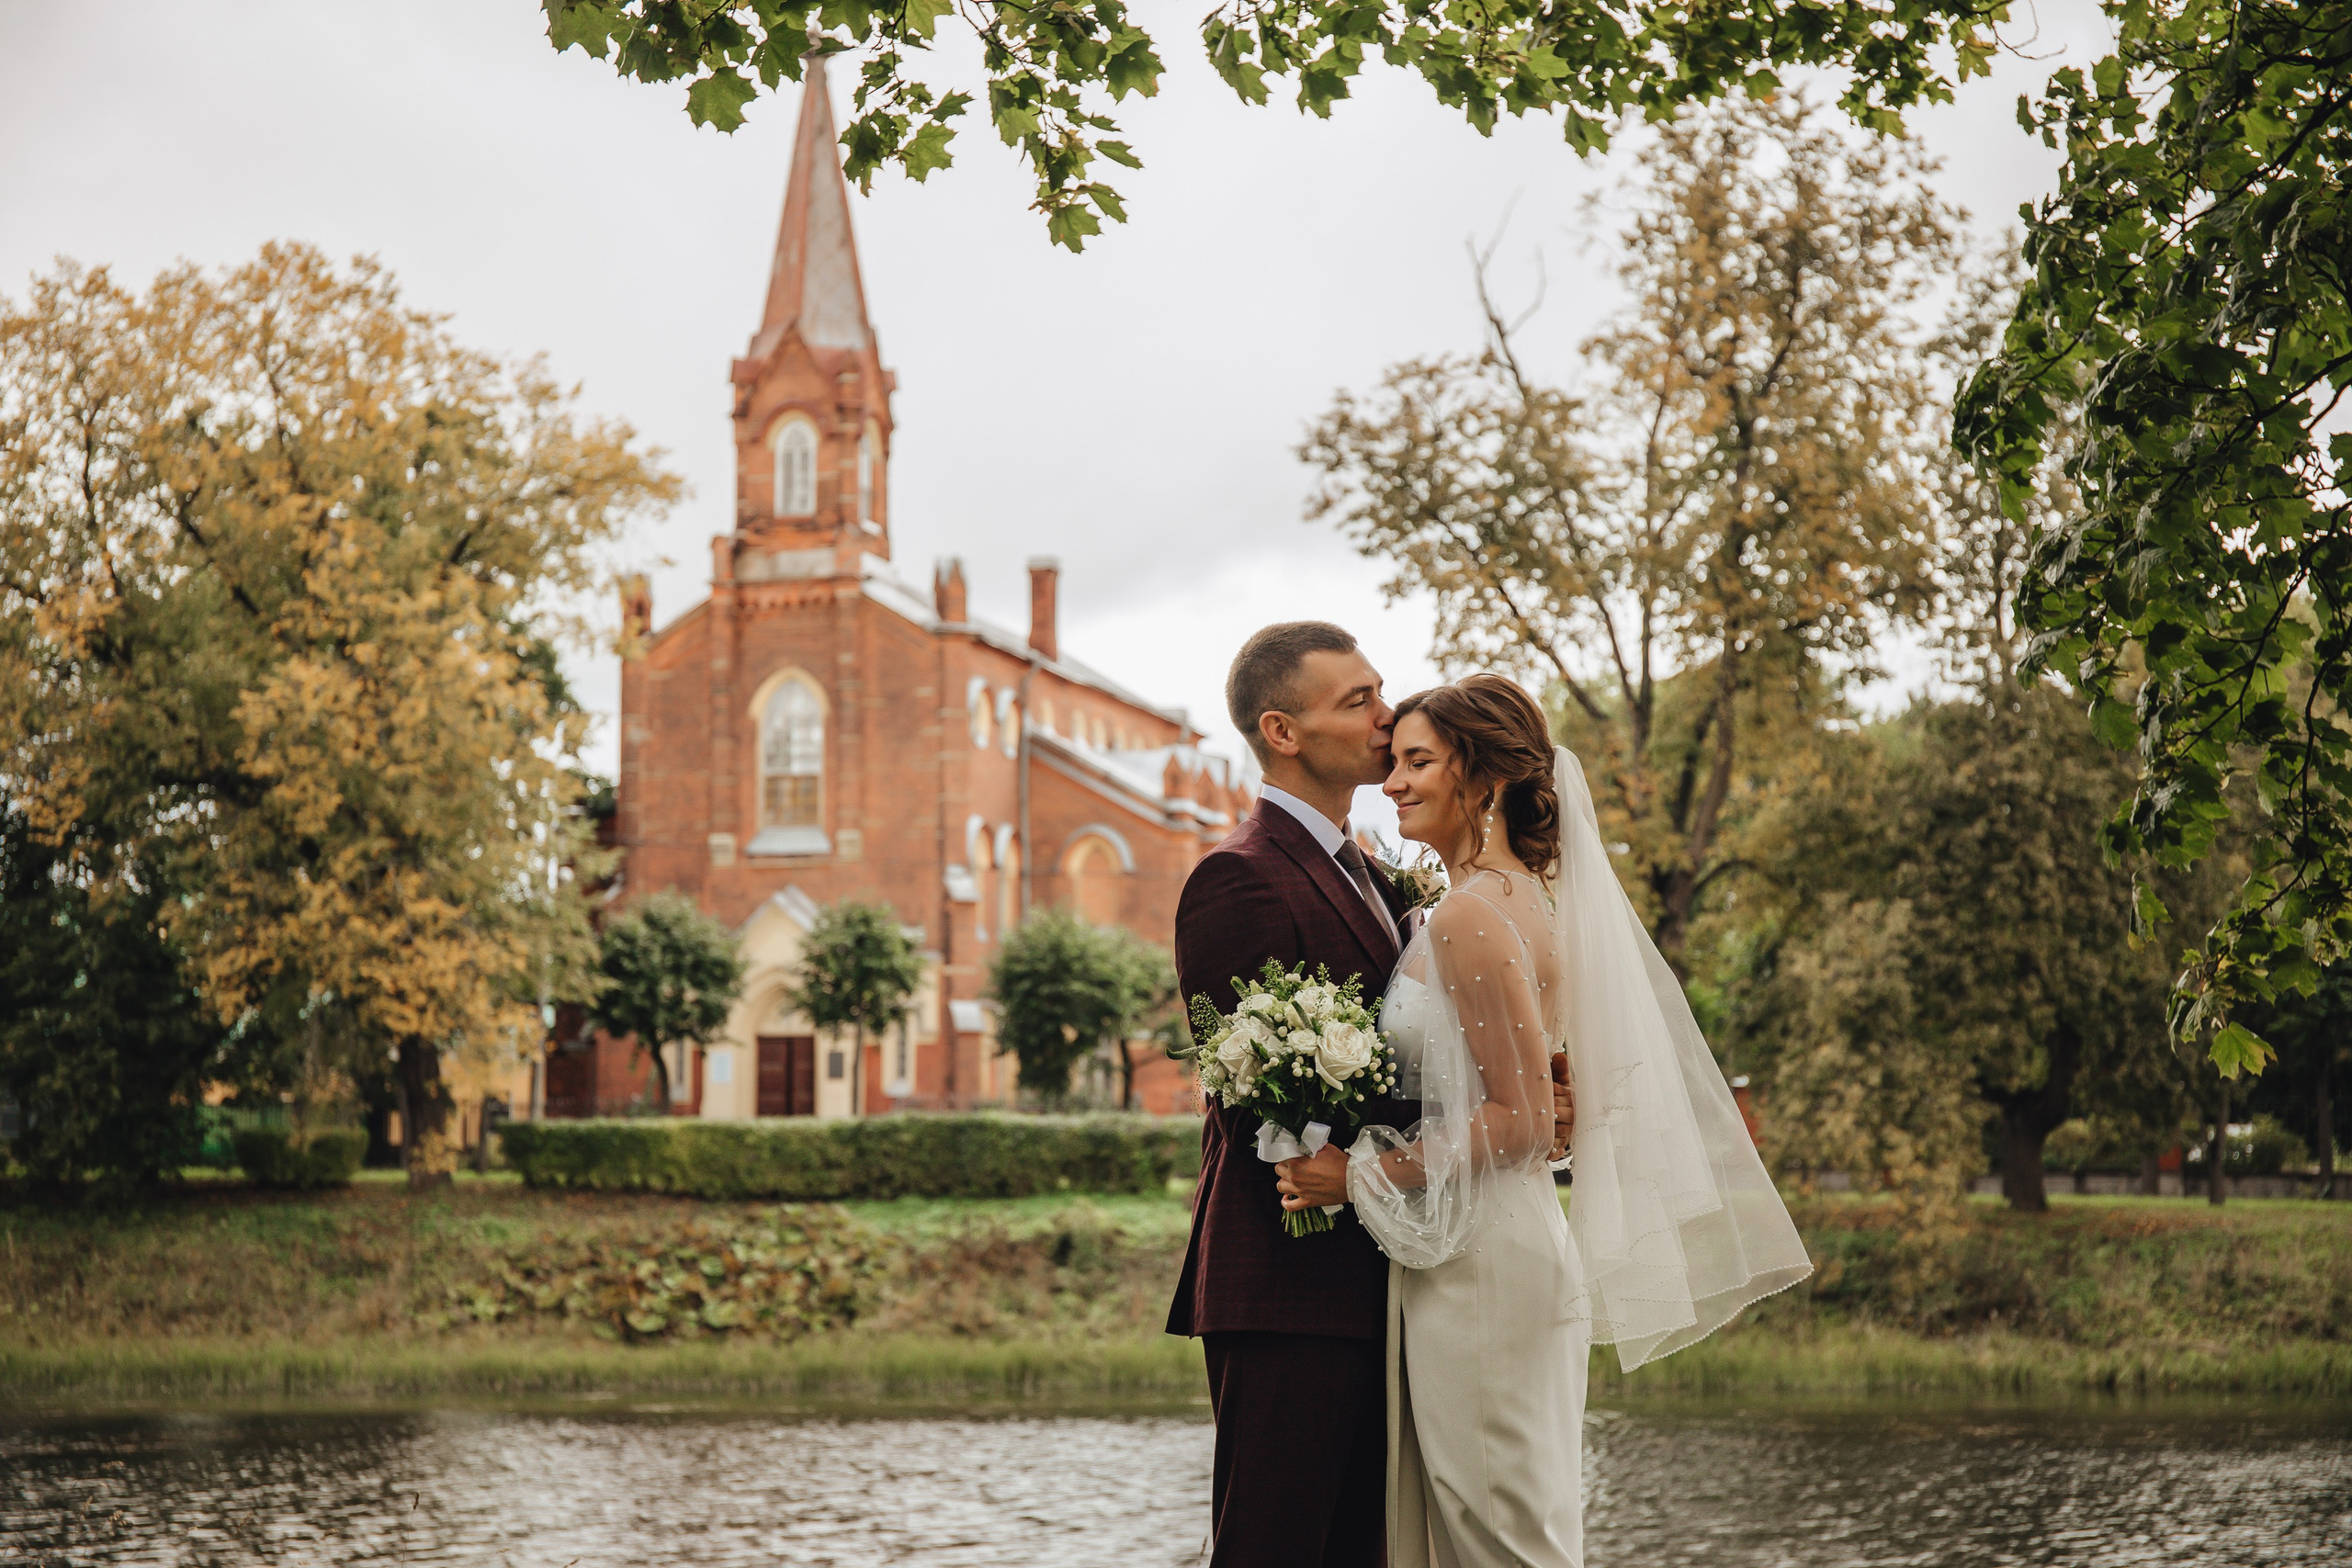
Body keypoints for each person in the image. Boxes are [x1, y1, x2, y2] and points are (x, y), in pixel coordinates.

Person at [1278, 673, 1812, 1568]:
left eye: (1417, 762)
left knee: (1498, 1539)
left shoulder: (1473, 916)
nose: (1393, 782)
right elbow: (1542, 1097)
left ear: (1479, 781)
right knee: (1490, 1529)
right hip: (1479, 1248)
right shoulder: (1516, 902)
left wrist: (1355, 1174)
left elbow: (1521, 1122)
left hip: (1483, 1267)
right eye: (1394, 761)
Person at [1169, 626, 1572, 1568]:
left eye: (1380, 693)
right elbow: (1250, 1096)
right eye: (1357, 701)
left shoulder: (1394, 883)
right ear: (1282, 731)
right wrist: (1485, 1127)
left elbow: (1444, 1062)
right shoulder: (1239, 877)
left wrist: (1532, 1097)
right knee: (1275, 1548)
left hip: (1407, 1267)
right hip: (1290, 1282)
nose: (1384, 717)